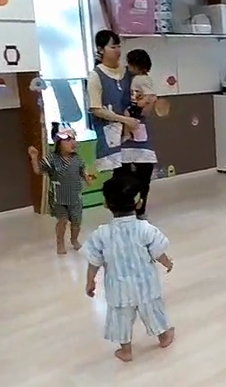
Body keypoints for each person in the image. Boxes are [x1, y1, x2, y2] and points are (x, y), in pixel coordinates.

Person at [81, 174, 175, 363]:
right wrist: (168, 263)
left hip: (118, 288)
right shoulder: (145, 228)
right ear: (138, 203)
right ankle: (164, 337)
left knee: (120, 318)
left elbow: (94, 260)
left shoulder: (102, 234)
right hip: (146, 285)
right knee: (153, 310)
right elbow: (158, 252)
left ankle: (126, 351)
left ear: (106, 204)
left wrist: (90, 281)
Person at [89, 30, 158, 219]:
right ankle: (124, 214)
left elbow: (145, 96)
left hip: (138, 130)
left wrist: (148, 104)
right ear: (101, 49)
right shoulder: (96, 76)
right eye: (113, 47)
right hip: (115, 133)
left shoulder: (130, 72)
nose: (118, 50)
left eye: (119, 46)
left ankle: (140, 211)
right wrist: (125, 120)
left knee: (145, 172)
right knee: (123, 177)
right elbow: (96, 109)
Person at [27, 123, 92, 254]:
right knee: (62, 220)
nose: (72, 142)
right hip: (59, 197)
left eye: (73, 139)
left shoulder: (77, 159)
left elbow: (83, 172)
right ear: (58, 143)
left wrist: (87, 178)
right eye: (67, 140)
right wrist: (34, 157)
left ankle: (74, 240)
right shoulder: (52, 159)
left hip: (75, 196)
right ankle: (60, 243)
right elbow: (38, 171)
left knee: (76, 222)